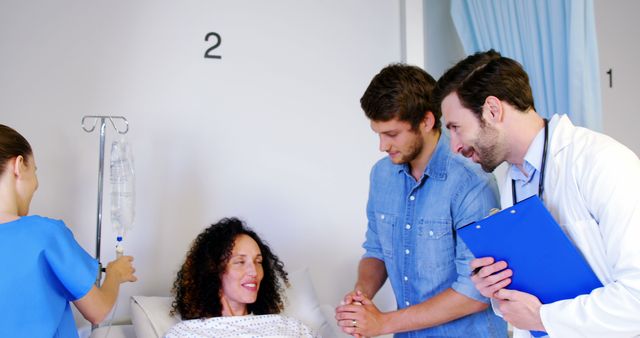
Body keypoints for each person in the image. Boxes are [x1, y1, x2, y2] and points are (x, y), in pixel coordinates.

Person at [435, 49, 640, 337]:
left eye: (456, 128)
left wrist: (544, 317)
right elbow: (534, 295)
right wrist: (496, 287)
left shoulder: (601, 161)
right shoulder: (514, 180)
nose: (454, 146)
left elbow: (636, 299)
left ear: (493, 110)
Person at [334, 64, 507, 337]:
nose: (382, 146)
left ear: (426, 121)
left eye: (392, 134)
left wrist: (384, 323)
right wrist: (361, 296)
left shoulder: (471, 181)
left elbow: (476, 293)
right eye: (378, 134)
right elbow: (376, 249)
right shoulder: (382, 175)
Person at [0, 124, 137, 337]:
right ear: (19, 165)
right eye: (34, 171)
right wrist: (115, 274)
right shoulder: (45, 234)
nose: (36, 185)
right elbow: (97, 311)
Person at [167, 217, 316, 337]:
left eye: (258, 262)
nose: (254, 271)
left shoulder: (291, 328)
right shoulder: (187, 332)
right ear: (213, 270)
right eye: (240, 261)